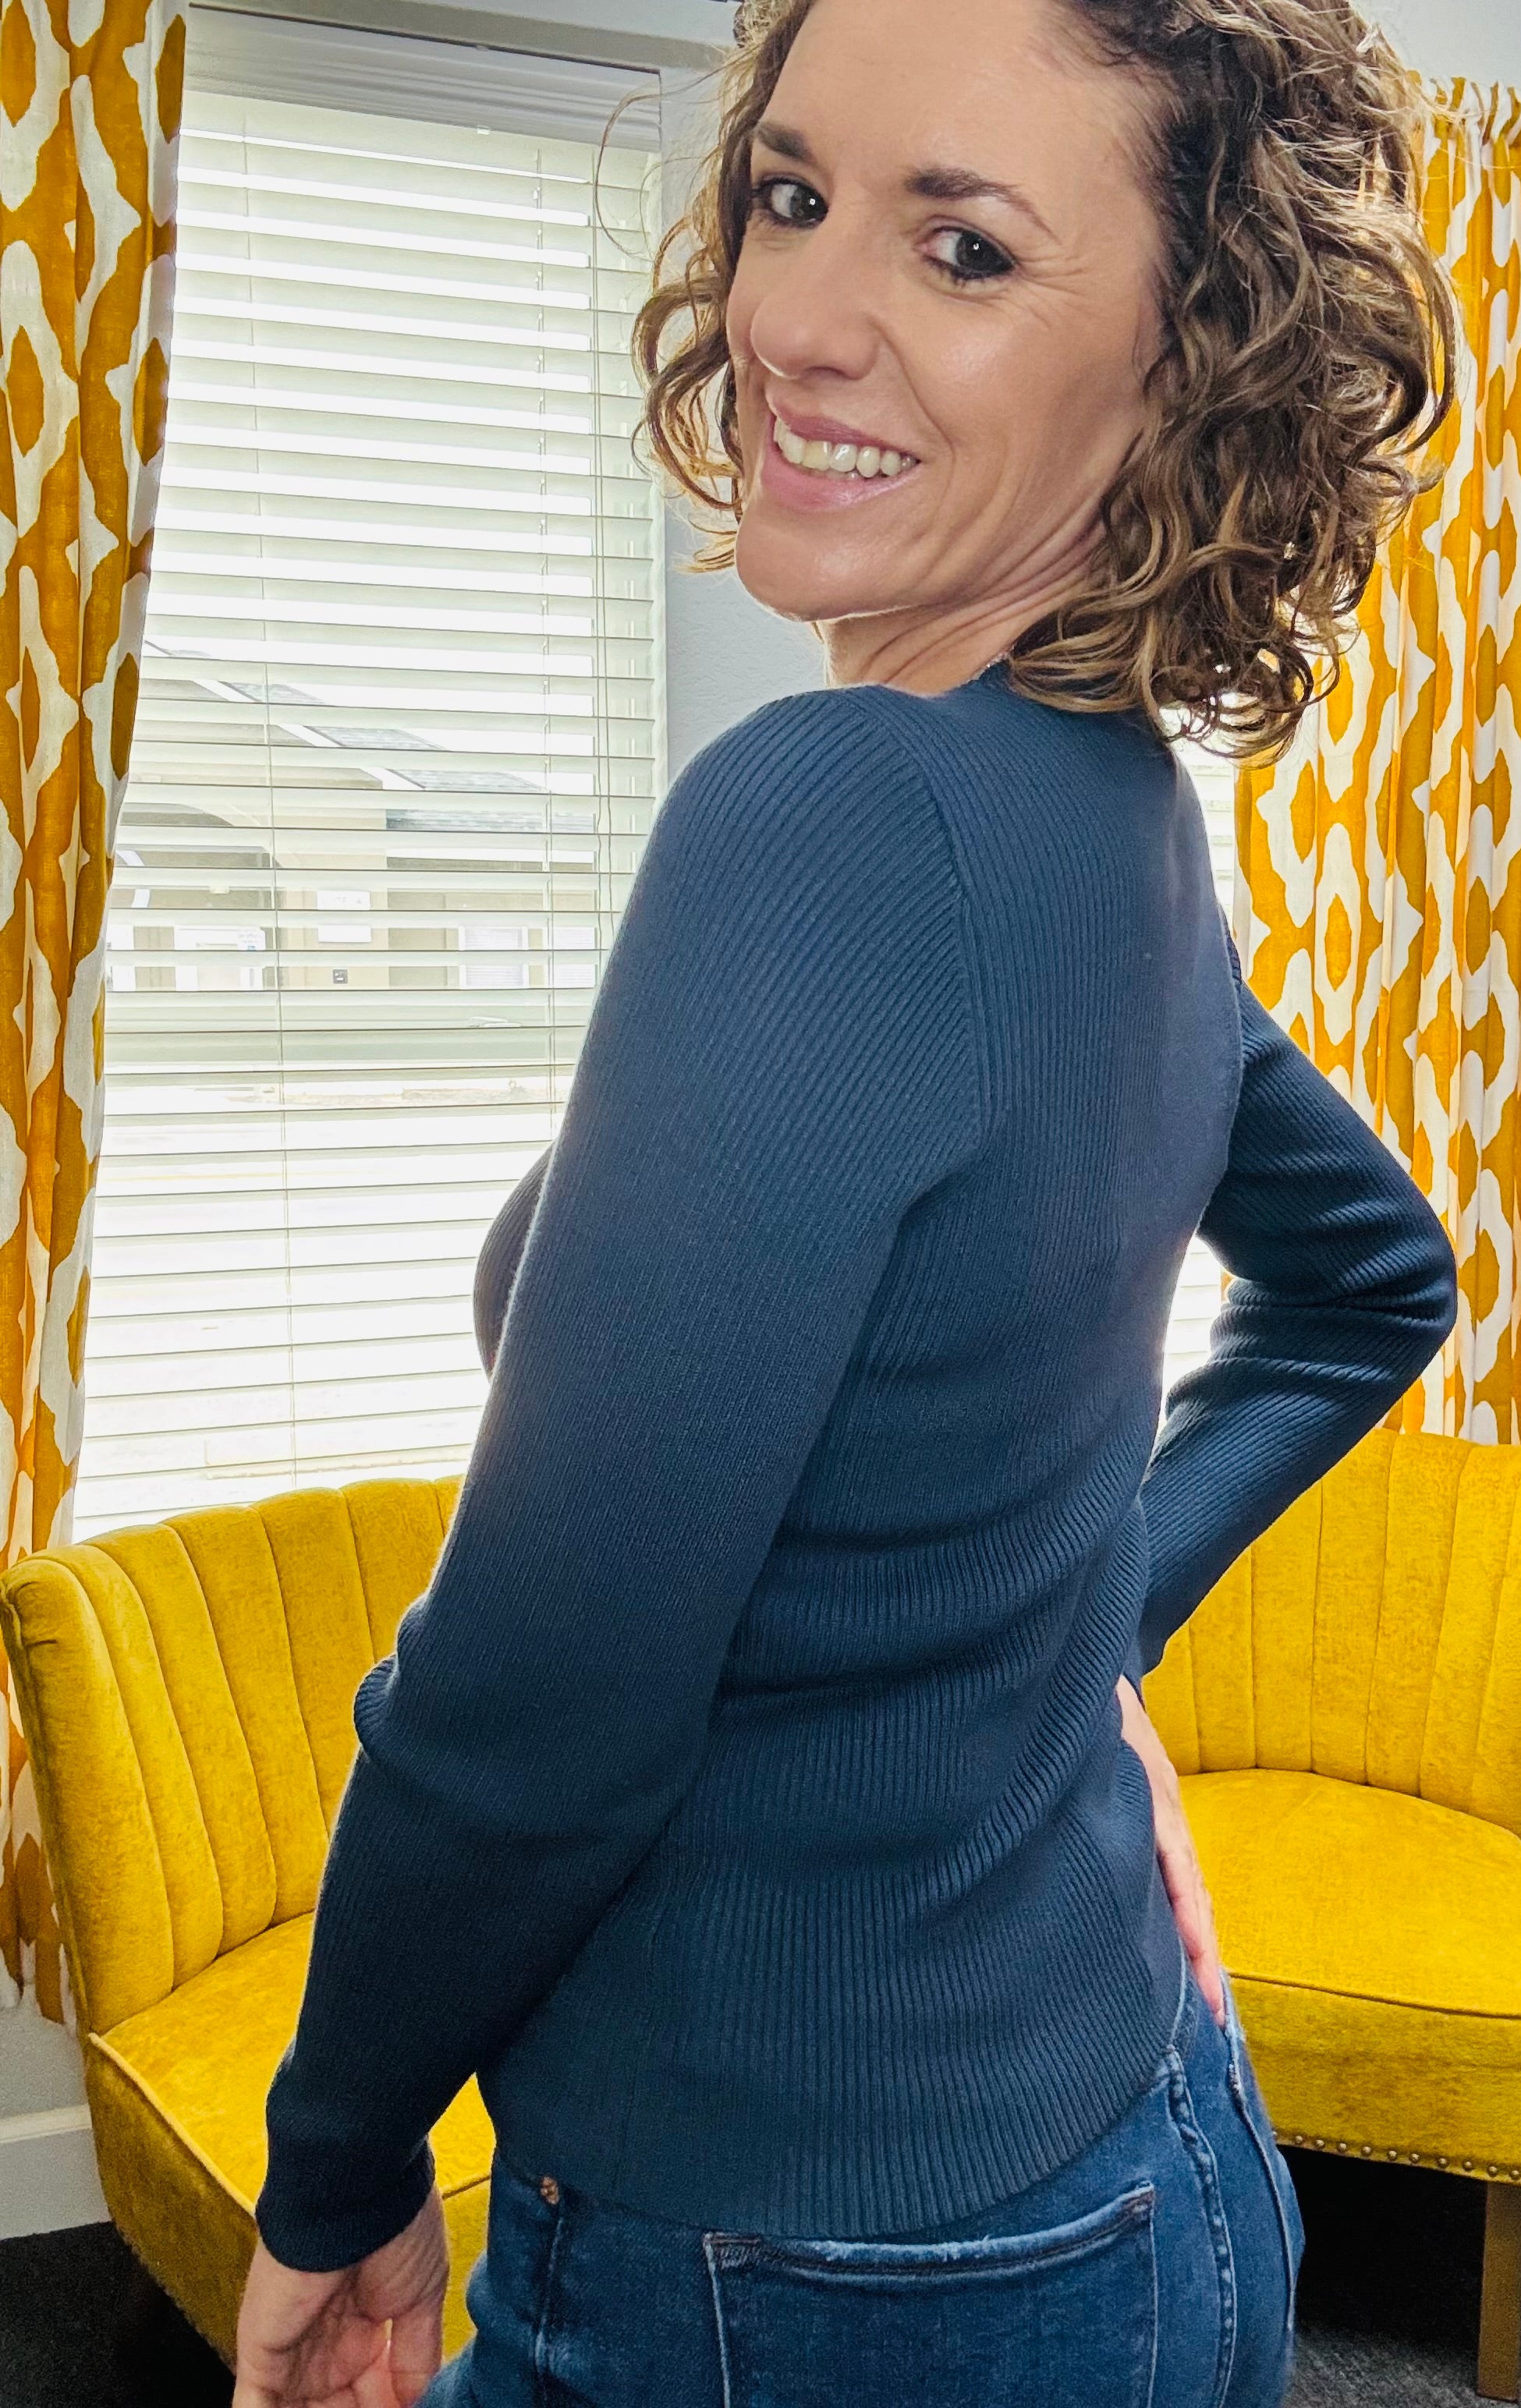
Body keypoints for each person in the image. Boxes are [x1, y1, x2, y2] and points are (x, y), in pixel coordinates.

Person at [231, 1, 1459, 2402]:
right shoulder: (1116, 824)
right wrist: (1087, 1631)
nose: (794, 312)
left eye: (963, 245)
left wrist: (339, 2155)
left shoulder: (829, 821)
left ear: (1185, 367)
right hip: (1148, 2155)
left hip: (805, 2270)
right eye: (790, 195)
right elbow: (1369, 1285)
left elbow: (538, 1705)